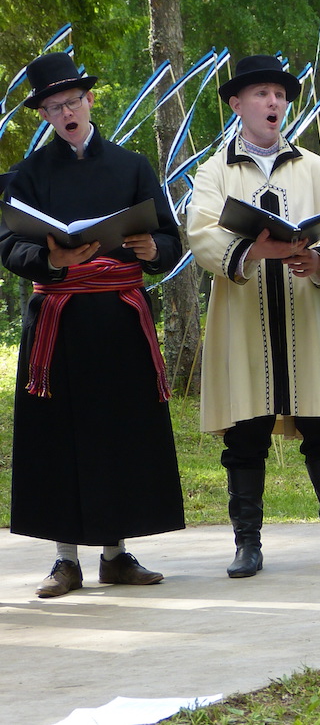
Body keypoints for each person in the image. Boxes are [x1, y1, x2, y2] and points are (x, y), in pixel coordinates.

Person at [0, 52, 185, 597]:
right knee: (58, 437)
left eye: (73, 101)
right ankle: (65, 561)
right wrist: (53, 261)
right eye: (54, 107)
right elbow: (8, 244)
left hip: (119, 322)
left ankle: (116, 554)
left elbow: (169, 239)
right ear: (43, 116)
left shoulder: (131, 166)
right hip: (57, 325)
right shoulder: (29, 175)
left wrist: (154, 248)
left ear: (90, 100)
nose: (66, 112)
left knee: (119, 431)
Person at [187, 54, 320, 578]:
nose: (273, 103)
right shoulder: (215, 170)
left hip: (307, 314)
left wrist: (319, 258)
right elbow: (202, 234)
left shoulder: (314, 167)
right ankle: (247, 545)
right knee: (245, 434)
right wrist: (256, 252)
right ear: (236, 104)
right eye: (261, 94)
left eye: (279, 94)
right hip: (244, 319)